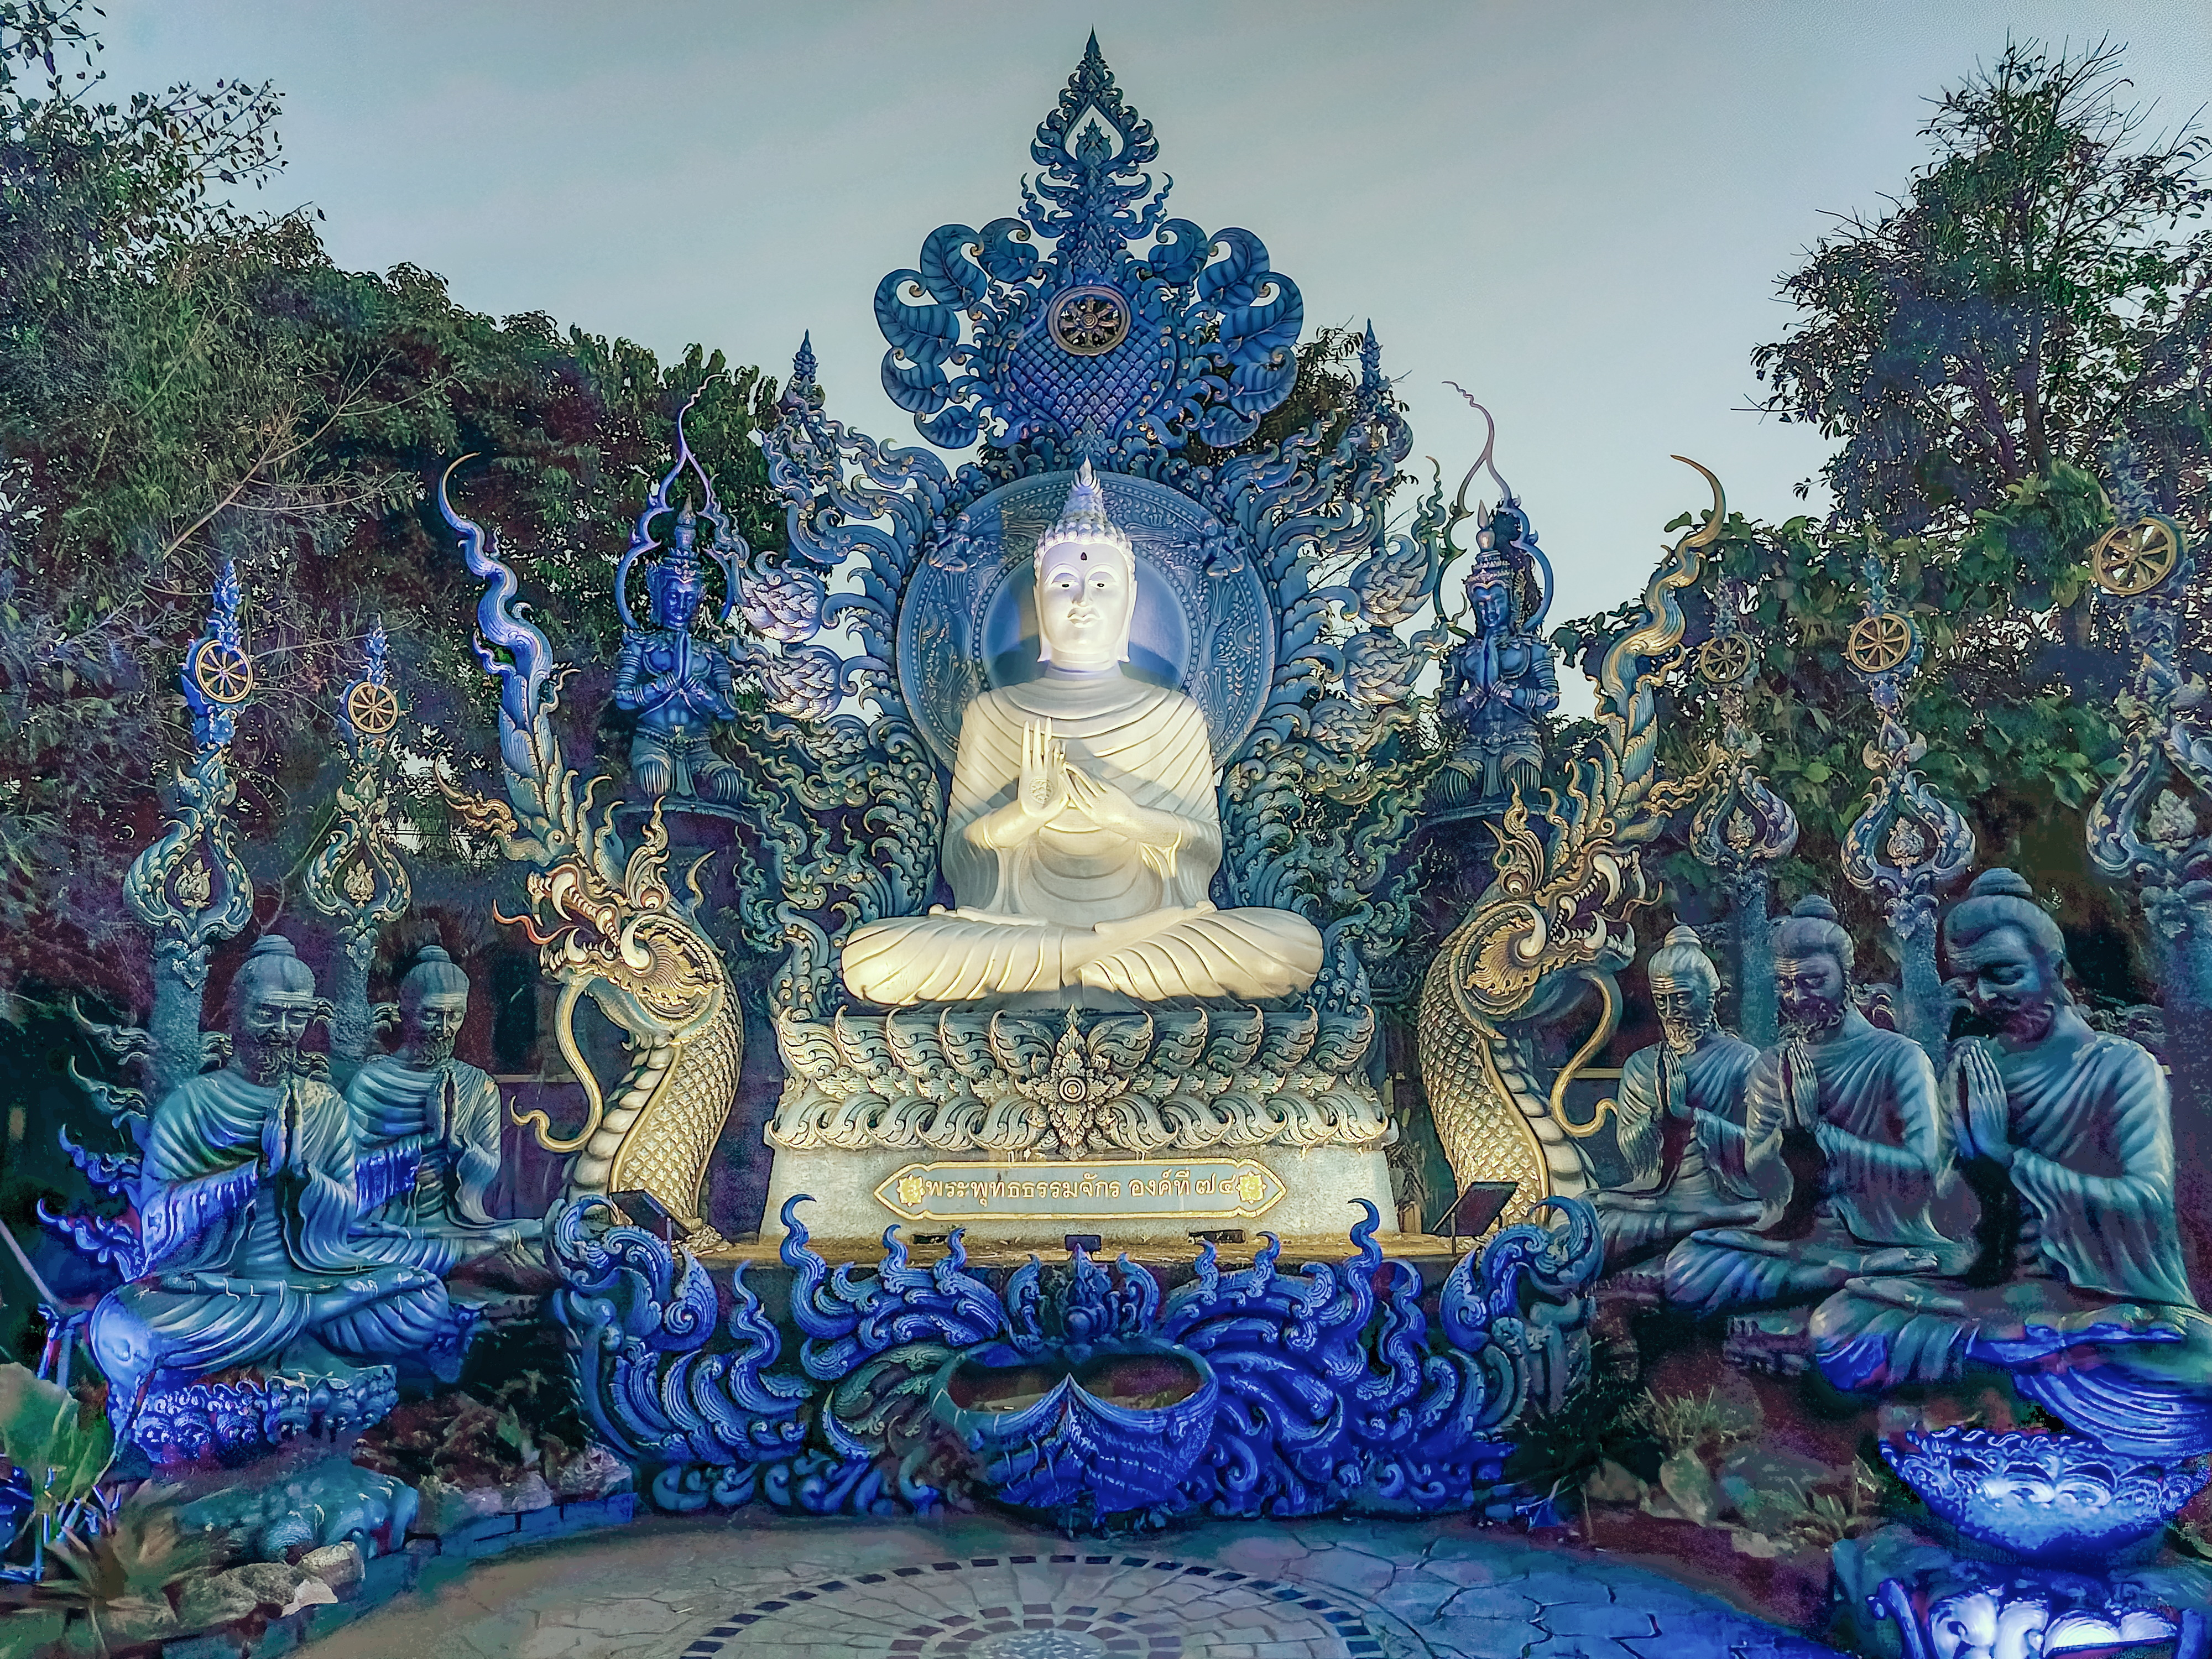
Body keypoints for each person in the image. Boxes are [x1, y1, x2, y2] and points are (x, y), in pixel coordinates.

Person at [839, 463, 1322, 1005]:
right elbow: (960, 857)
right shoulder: (994, 712)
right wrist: (1023, 816)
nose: (1082, 602)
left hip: (1150, 926)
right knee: (874, 959)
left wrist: (1133, 821)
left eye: (1101, 584)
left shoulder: (1173, 715)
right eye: (1064, 583)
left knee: (1290, 947)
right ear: (1039, 600)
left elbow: (1205, 850)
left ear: (1130, 601)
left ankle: (1077, 961)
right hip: (1022, 934)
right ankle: (1096, 960)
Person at [1809, 870, 2212, 1454]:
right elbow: (1945, 1222)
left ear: (2054, 966)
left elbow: (2143, 1200)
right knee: (1840, 1325)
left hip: (2103, 1300)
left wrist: (2009, 1159)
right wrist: (1972, 1166)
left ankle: (2011, 1371)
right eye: (1967, 982)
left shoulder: (2122, 1067)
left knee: (2194, 1374)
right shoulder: (1975, 1070)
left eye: (2002, 974)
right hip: (1998, 1295)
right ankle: (2025, 1355)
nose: (1983, 997)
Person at [88, 937, 458, 1412]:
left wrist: (302, 1175)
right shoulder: (194, 1104)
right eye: (267, 1014)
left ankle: (294, 1329)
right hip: (220, 1290)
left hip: (312, 1280)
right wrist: (257, 1173)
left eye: (296, 1016)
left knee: (424, 1296)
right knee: (126, 1327)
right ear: (235, 1014)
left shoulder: (325, 1105)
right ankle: (300, 1338)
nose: (282, 1031)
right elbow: (159, 1224)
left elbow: (345, 1210)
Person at [1665, 896, 1974, 1314]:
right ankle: (1848, 1278)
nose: (1798, 997)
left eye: (1814, 981)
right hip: (1800, 1232)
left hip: (1877, 1233)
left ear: (1846, 977)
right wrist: (1788, 1140)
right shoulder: (1774, 1065)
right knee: (1689, 1268)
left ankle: (1854, 1277)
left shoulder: (1899, 1057)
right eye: (1786, 984)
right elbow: (1759, 1174)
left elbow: (1922, 1172)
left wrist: (1823, 1135)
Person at [346, 945, 541, 1276]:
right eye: (432, 1014)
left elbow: (490, 1164)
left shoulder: (477, 1085)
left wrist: (455, 1144)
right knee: (351, 1251)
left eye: (455, 1015)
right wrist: (419, 1149)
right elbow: (347, 1175)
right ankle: (473, 1263)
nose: (444, 1028)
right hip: (388, 1229)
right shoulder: (371, 1082)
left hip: (458, 1222)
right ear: (405, 1012)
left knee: (538, 1234)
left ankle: (474, 1260)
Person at [1592, 926, 1762, 1271]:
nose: (1671, 1011)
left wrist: (1690, 1116)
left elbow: (1762, 1149)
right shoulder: (1641, 1065)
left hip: (1721, 1198)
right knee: (1577, 1221)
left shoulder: (1744, 1060)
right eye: (1661, 1000)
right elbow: (1629, 1146)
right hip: (1655, 1196)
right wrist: (1659, 1119)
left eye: (1681, 997)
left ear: (1710, 996)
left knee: (1750, 1222)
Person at [611, 505, 743, 803]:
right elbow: (622, 697)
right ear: (658, 593)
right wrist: (661, 685)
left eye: (688, 598)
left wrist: (703, 693)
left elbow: (729, 709)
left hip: (699, 746)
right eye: (673, 595)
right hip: (652, 740)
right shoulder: (642, 645)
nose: (680, 606)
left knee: (728, 785)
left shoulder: (710, 653)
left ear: (699, 599)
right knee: (655, 782)